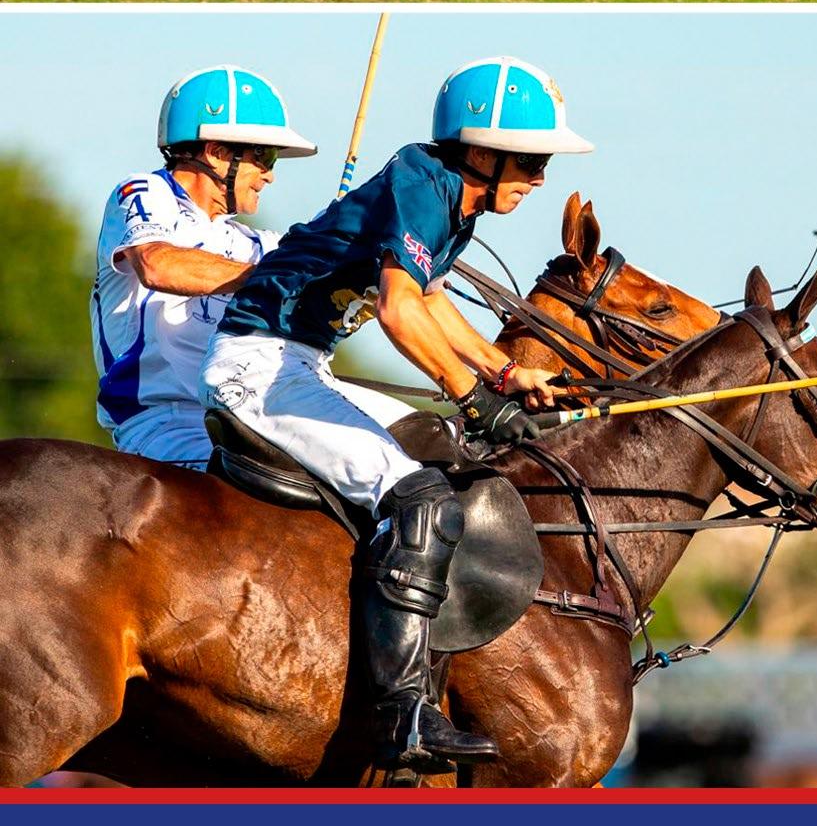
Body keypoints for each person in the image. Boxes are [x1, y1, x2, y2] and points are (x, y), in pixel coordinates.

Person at [198, 56, 593, 776]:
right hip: (259, 366)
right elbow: (399, 309)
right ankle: (403, 710)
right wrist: (472, 394)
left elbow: (433, 300)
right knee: (422, 498)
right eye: (531, 161)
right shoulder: (422, 181)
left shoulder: (453, 201)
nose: (541, 179)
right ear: (481, 152)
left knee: (444, 450)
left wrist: (506, 375)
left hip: (301, 363)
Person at [92, 65, 317, 469]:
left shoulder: (255, 243)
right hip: (163, 424)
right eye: (263, 157)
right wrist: (270, 278)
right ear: (215, 152)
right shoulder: (143, 192)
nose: (269, 176)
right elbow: (158, 265)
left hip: (243, 417)